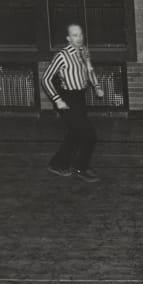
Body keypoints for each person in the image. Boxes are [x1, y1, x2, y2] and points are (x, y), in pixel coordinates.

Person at [41, 23, 104, 182]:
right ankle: (80, 167)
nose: (79, 38)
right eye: (75, 35)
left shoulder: (84, 51)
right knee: (89, 135)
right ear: (68, 38)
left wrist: (97, 86)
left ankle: (57, 164)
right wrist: (57, 100)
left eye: (81, 34)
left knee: (75, 133)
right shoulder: (61, 56)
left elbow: (89, 70)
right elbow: (45, 78)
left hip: (80, 97)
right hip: (67, 99)